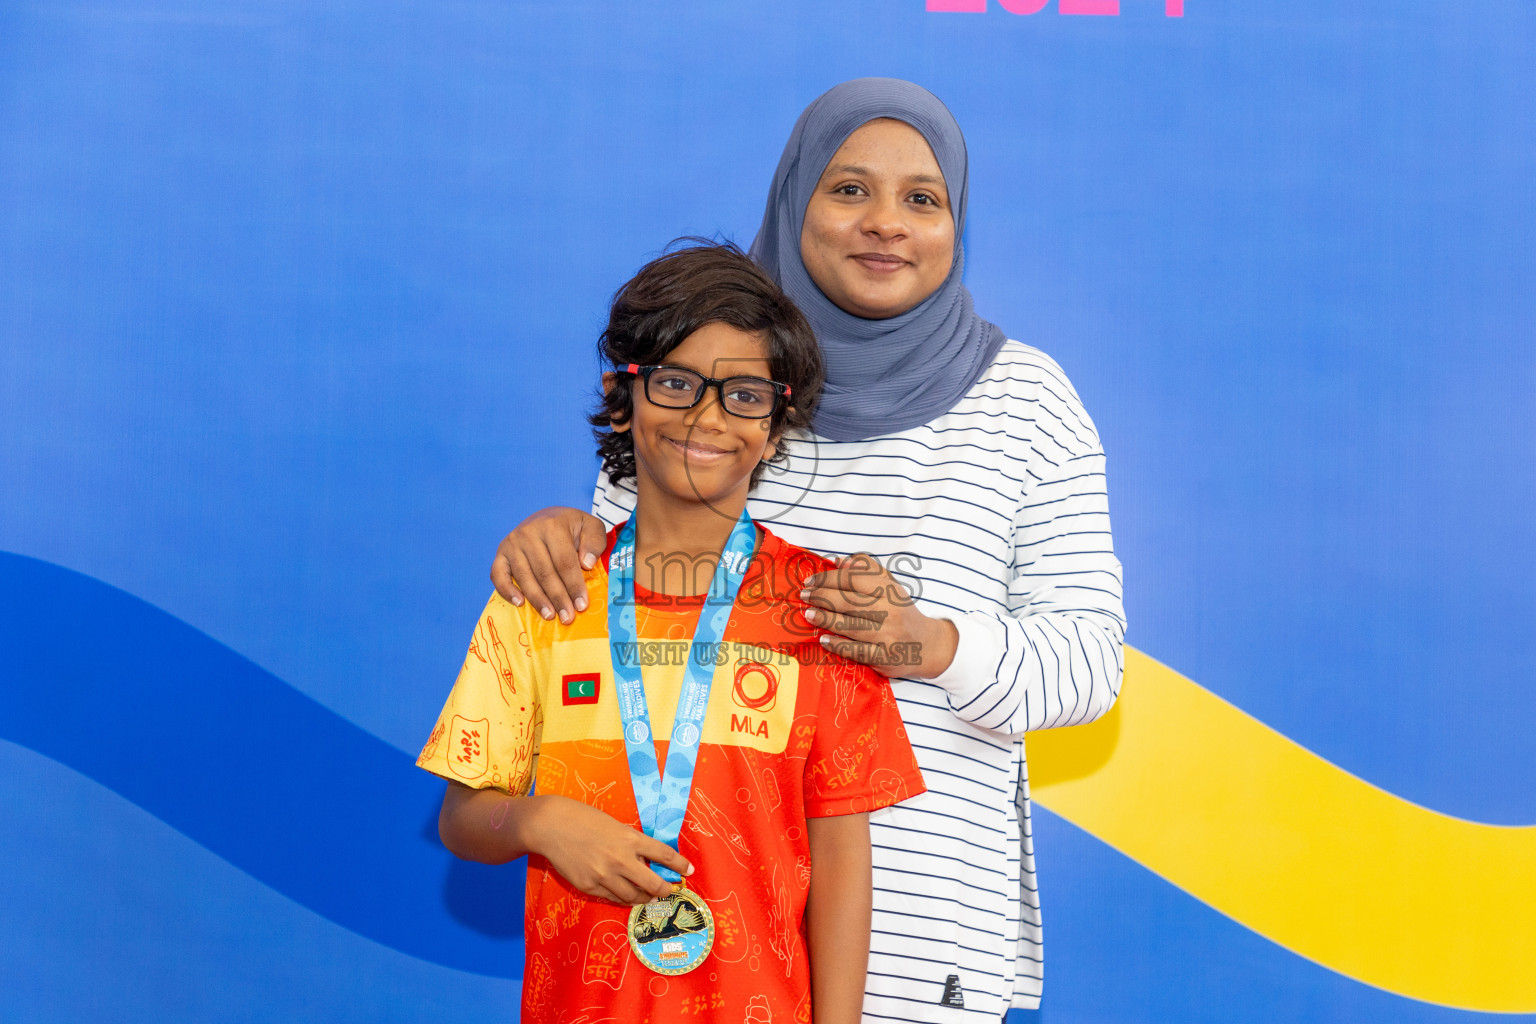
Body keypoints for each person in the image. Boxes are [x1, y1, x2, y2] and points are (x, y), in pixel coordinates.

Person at [488, 79, 1126, 1020]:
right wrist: (563, 539)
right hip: (691, 924)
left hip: (922, 927)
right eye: (849, 189)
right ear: (794, 200)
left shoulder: (1027, 402)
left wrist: (932, 645)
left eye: (923, 199)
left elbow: (1090, 668)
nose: (886, 225)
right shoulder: (709, 380)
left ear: (957, 222)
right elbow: (614, 600)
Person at [418, 241, 926, 1024]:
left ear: (776, 419)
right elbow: (462, 819)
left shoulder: (821, 611)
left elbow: (840, 858)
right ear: (623, 398)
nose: (708, 418)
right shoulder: (544, 596)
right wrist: (539, 821)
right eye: (678, 383)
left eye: (744, 395)